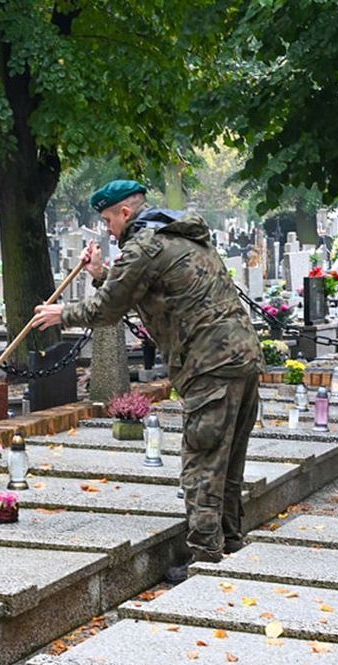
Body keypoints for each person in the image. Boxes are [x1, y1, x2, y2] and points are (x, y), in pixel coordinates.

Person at [30, 180, 263, 583]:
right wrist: (101, 273)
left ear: (124, 212)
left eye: (108, 220)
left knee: (203, 461)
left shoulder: (144, 246)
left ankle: (206, 558)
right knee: (228, 459)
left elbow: (106, 310)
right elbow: (138, 294)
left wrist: (61, 315)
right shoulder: (177, 237)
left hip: (209, 362)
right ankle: (230, 539)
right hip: (241, 356)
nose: (107, 230)